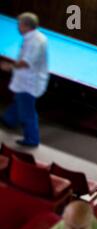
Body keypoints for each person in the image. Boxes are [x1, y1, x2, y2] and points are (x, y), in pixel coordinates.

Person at [0, 12, 49, 147]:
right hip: (26, 79)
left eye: (19, 24)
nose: (17, 27)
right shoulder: (34, 37)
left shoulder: (35, 42)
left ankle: (32, 139)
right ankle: (9, 119)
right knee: (19, 100)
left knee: (27, 112)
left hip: (30, 82)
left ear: (26, 26)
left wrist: (9, 66)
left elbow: (26, 62)